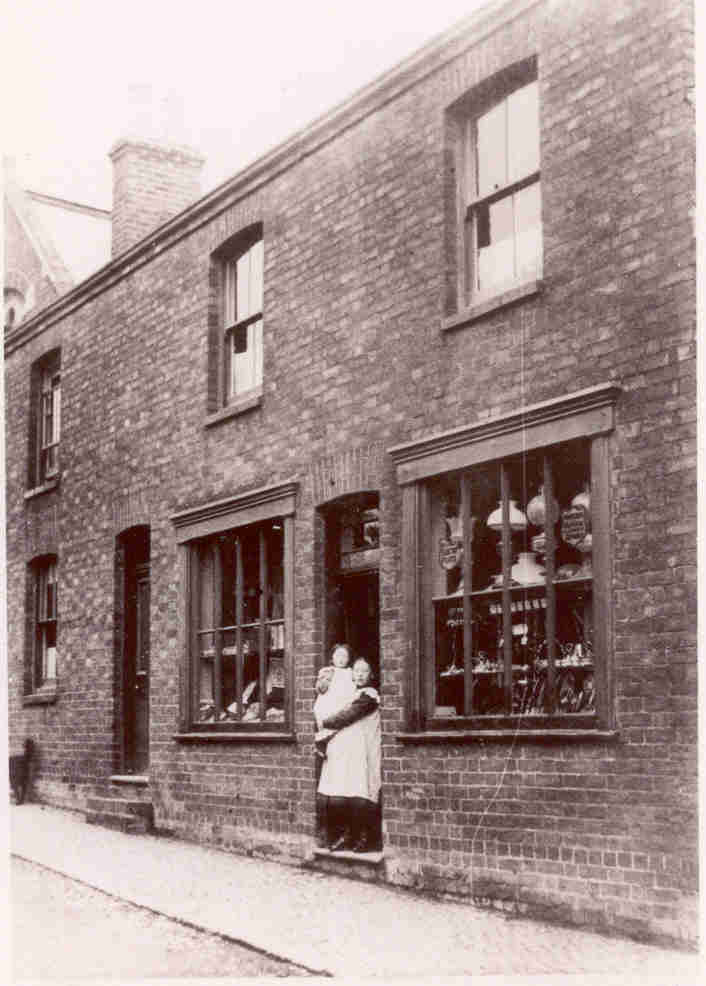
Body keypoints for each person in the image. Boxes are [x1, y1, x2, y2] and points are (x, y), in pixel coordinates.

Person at [316, 657, 381, 853]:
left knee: (364, 792)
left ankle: (365, 837)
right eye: (356, 671)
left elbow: (348, 715)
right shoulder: (351, 693)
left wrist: (325, 721)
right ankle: (348, 835)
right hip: (352, 751)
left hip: (367, 749)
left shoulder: (369, 695)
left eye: (364, 671)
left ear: (371, 674)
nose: (360, 675)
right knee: (345, 792)